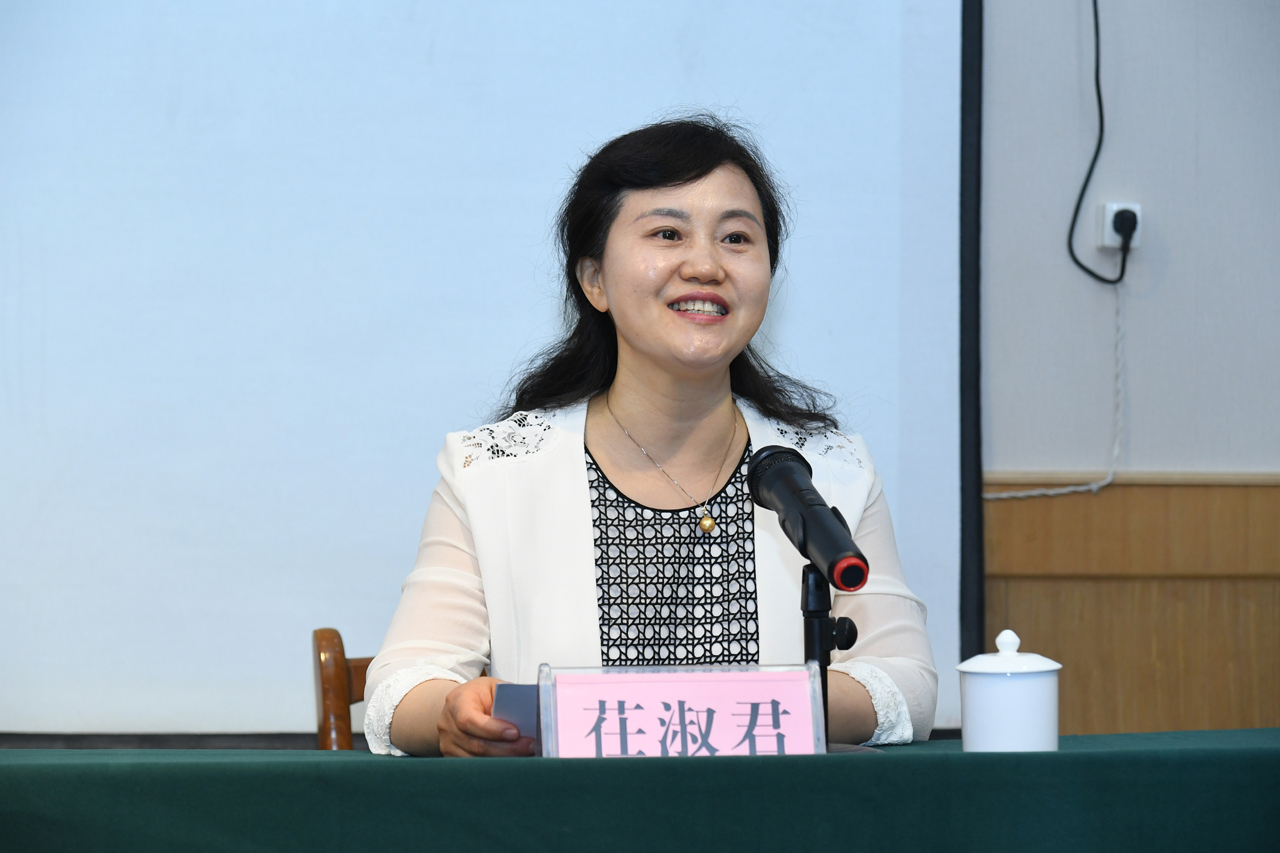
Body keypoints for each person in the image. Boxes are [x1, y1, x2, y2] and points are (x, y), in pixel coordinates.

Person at [364, 115, 937, 757]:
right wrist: (452, 712)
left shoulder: (824, 470)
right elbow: (397, 691)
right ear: (594, 280)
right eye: (668, 233)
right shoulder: (492, 472)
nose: (706, 265)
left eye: (736, 238)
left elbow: (906, 683)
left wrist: (710, 712)